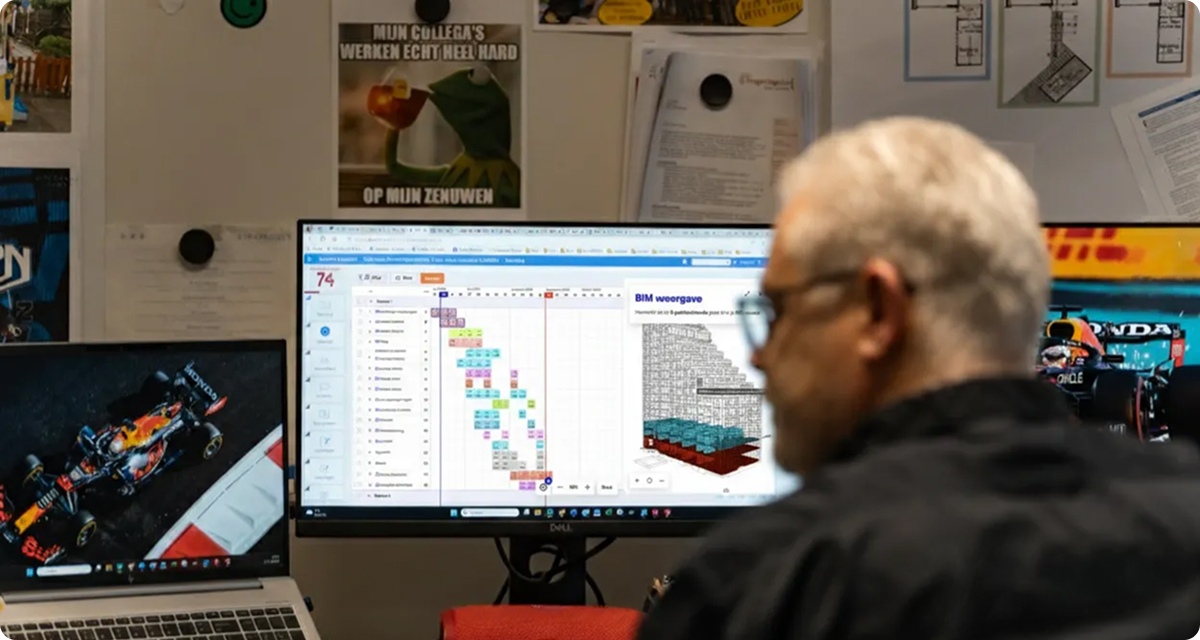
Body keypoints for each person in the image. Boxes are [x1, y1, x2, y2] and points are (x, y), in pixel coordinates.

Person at [636, 117, 1200, 640]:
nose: (761, 355)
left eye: (780, 310)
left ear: (879, 311)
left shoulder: (760, 584)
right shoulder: (1182, 517)